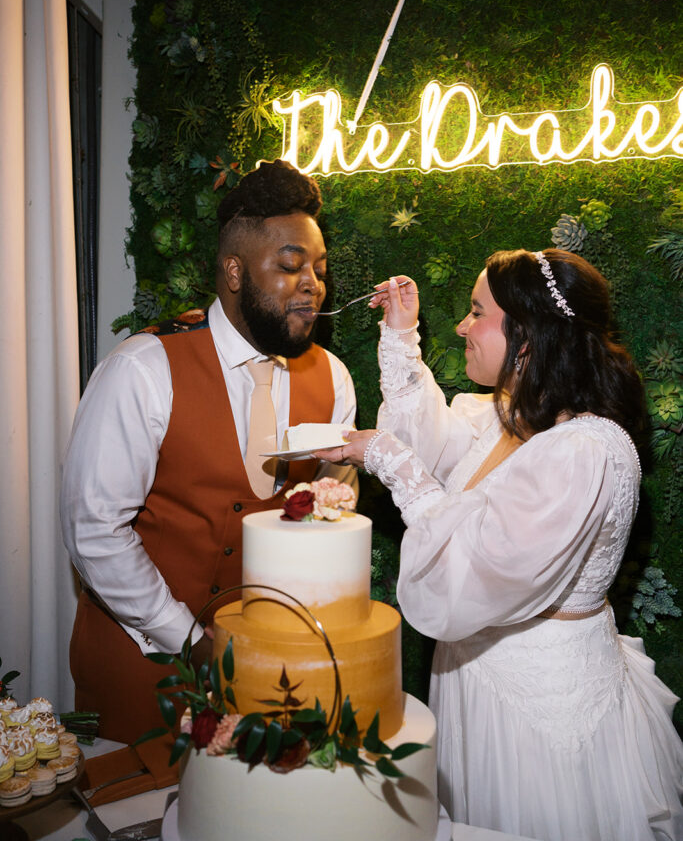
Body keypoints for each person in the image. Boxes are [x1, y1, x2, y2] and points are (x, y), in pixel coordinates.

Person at [317, 249, 683, 841]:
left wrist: (389, 460)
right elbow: (436, 448)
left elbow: (477, 560)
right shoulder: (509, 416)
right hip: (476, 686)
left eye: (476, 312)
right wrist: (401, 334)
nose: (461, 326)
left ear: (527, 336)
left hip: (533, 718)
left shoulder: (584, 452)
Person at [61, 159, 357, 745]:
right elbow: (94, 529)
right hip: (139, 675)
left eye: (319, 269)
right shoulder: (142, 371)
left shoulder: (335, 379)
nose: (312, 284)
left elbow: (328, 515)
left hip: (268, 681)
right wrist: (189, 637)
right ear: (234, 272)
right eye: (290, 265)